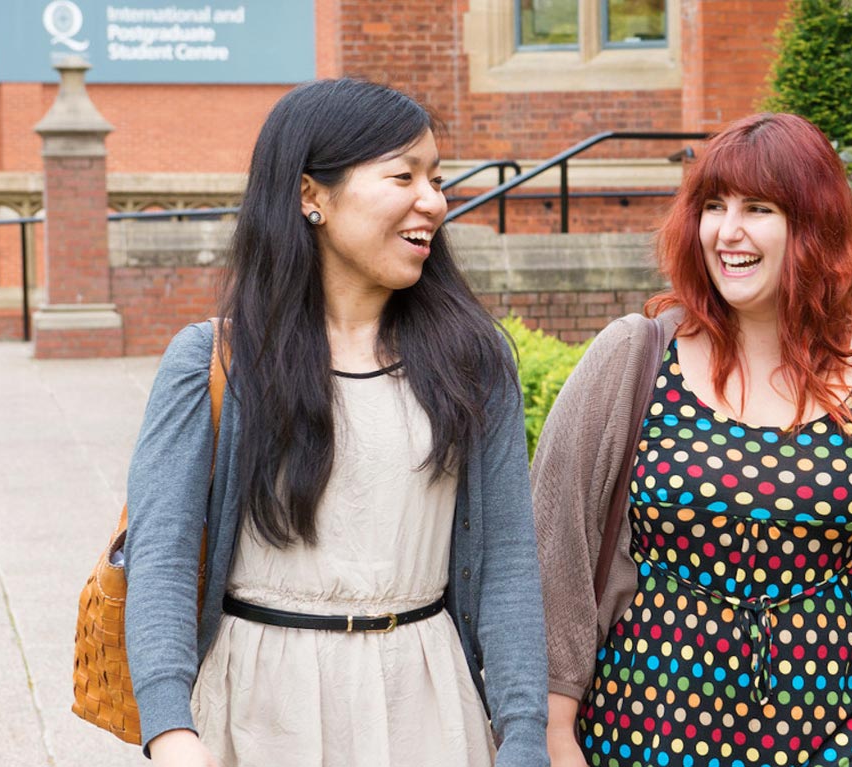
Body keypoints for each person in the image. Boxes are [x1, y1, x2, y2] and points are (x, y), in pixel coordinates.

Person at [532, 112, 852, 767]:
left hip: (831, 741)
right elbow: (557, 553)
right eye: (713, 206)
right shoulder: (633, 357)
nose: (728, 231)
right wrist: (556, 739)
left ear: (813, 224)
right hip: (641, 734)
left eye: (759, 208)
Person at [122, 78, 549, 767]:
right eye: (402, 175)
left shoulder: (474, 359)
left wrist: (524, 734)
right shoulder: (215, 362)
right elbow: (163, 556)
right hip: (260, 708)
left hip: (427, 705)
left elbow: (505, 563)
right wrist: (172, 728)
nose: (433, 201)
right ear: (310, 196)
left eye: (436, 179)